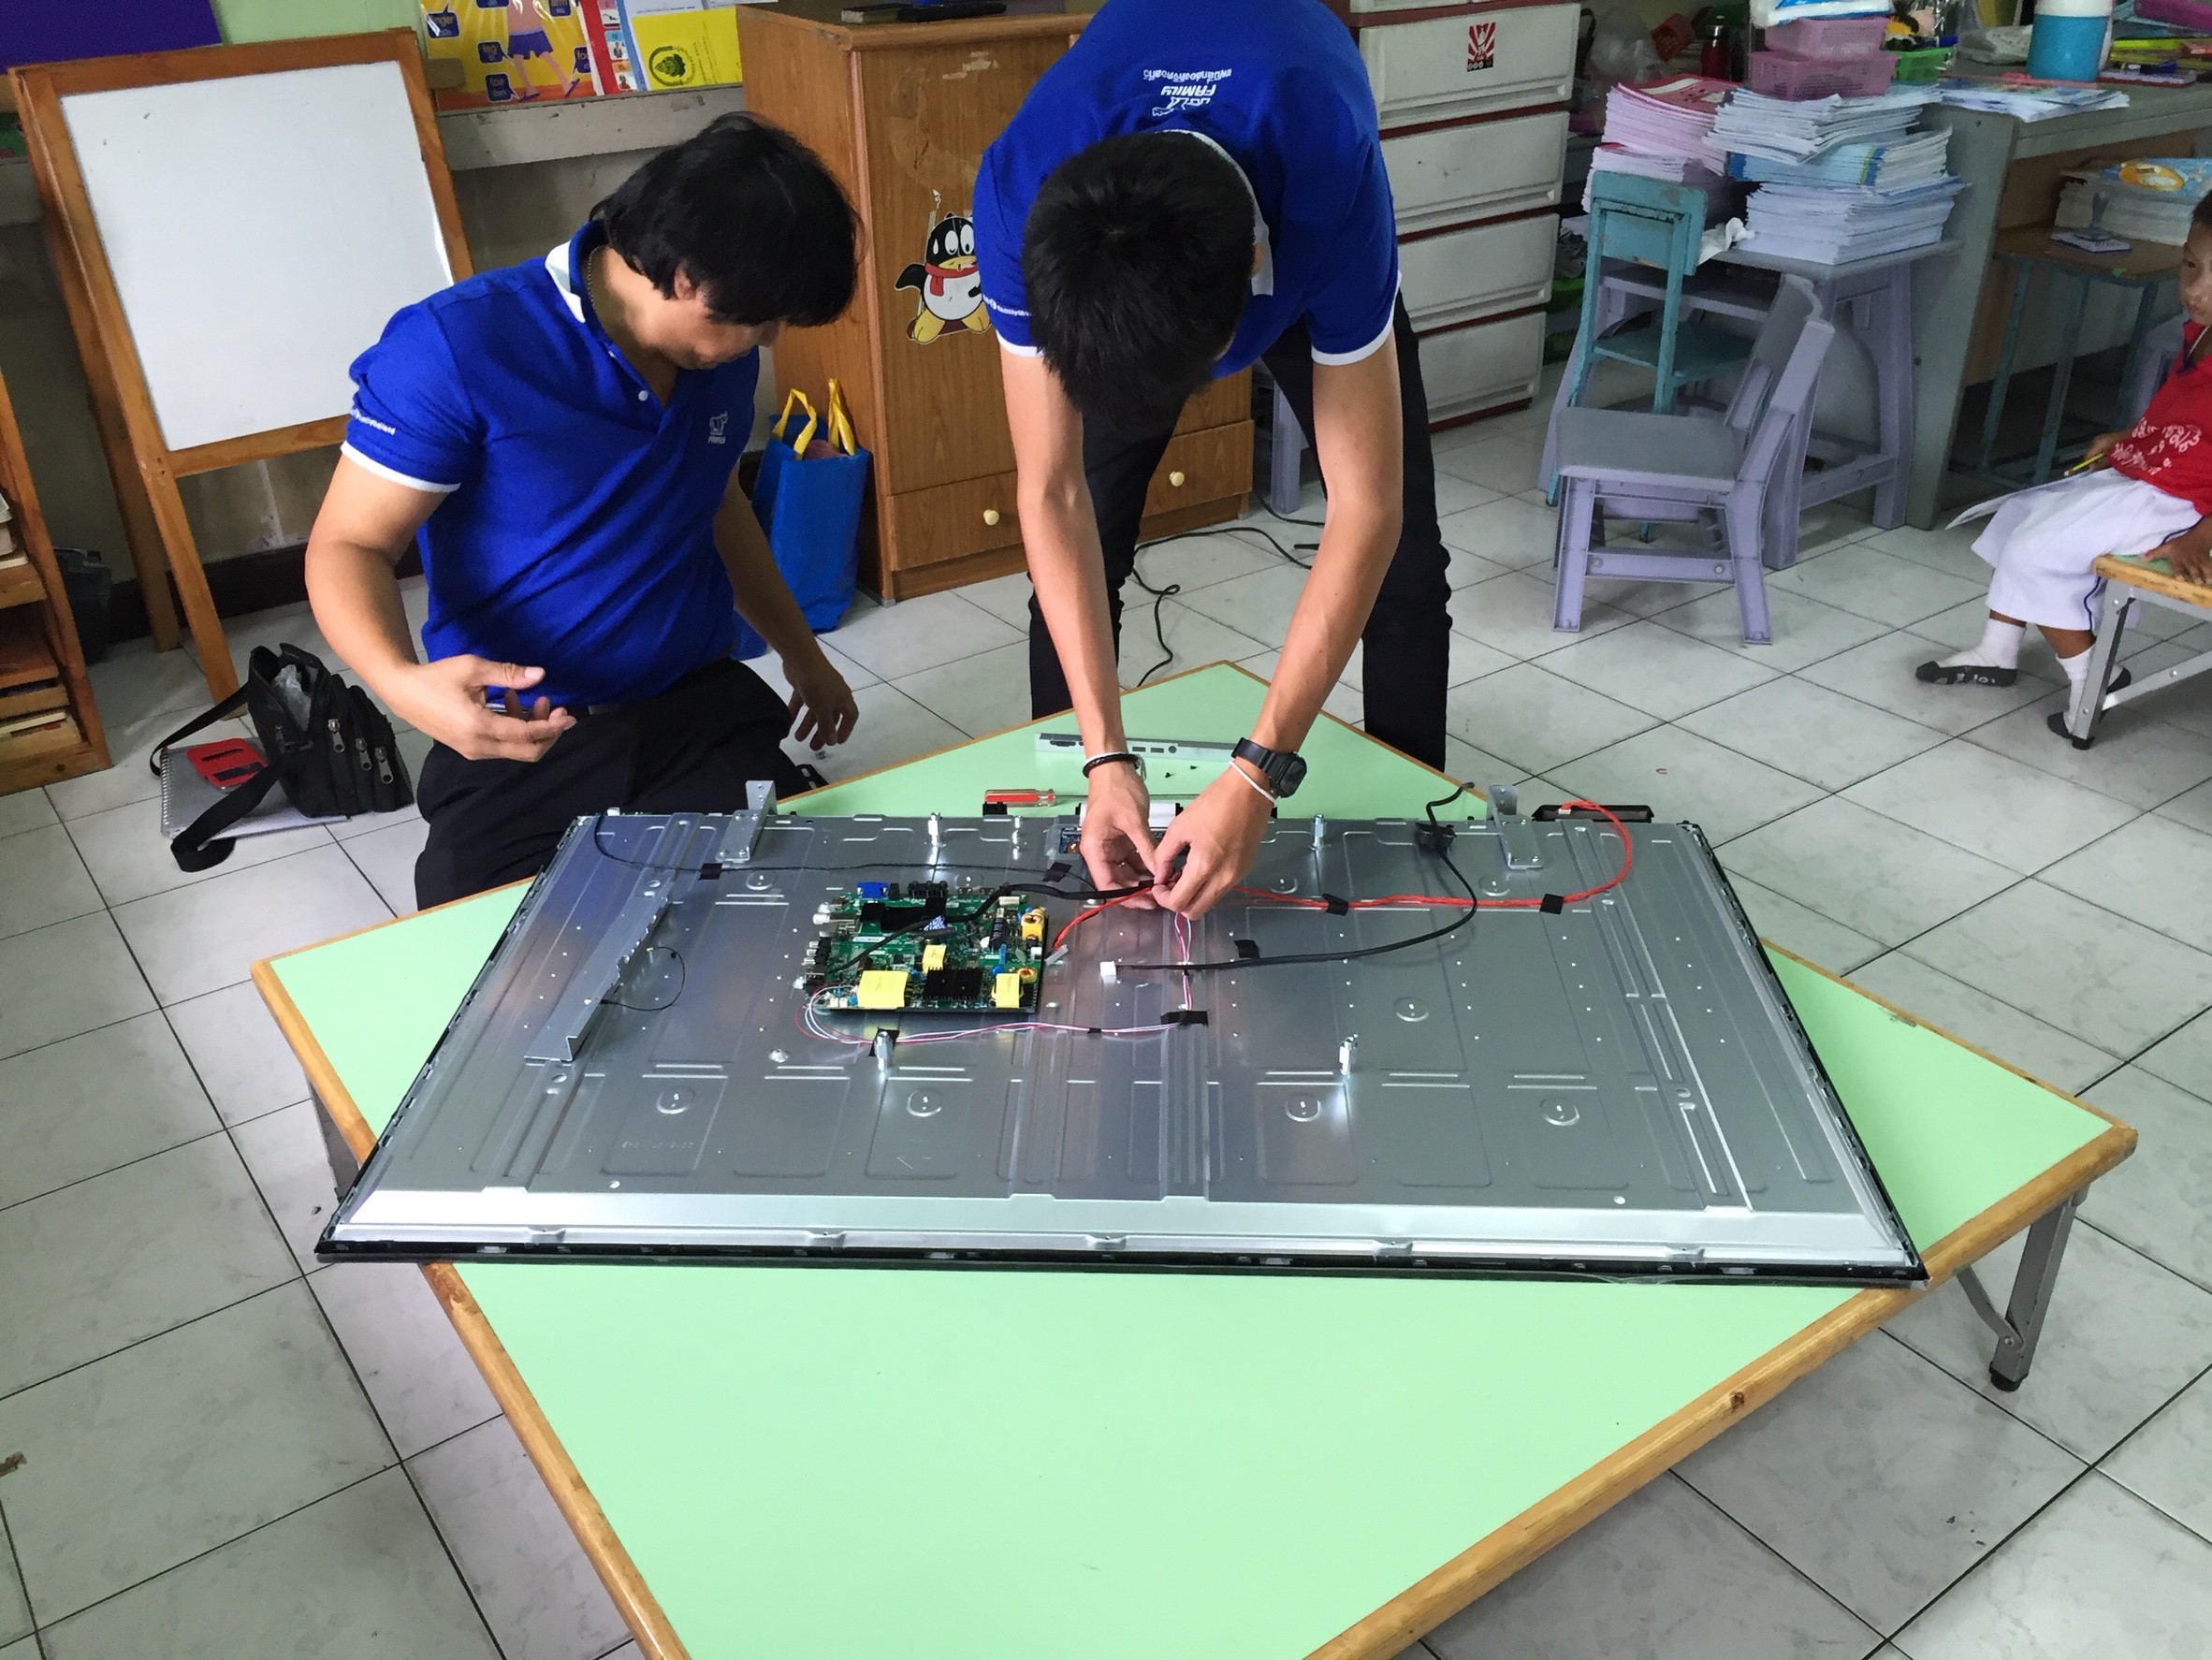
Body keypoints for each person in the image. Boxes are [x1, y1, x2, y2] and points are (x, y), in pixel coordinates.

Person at [306, 113, 862, 910]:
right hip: (528, 723)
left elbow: (716, 502)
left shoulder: (715, 353)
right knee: (487, 947)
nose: (769, 339)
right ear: (685, 276)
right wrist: (401, 684)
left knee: (786, 919)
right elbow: (349, 544)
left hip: (693, 707)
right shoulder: (457, 347)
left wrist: (802, 653)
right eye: (761, 318)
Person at [973, 0, 1451, 917]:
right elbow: (1051, 490)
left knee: (1407, 570)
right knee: (1083, 543)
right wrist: (1107, 757)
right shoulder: (1019, 191)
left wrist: (1257, 773)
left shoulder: (1331, 179)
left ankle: (1418, 832)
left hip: (1292, 227)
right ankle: (1087, 805)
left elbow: (1367, 506)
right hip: (1138, 283)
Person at [1918, 194, 2212, 732]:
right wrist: (2128, 436)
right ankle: (1997, 650)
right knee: (2018, 519)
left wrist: (2202, 537)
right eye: (2191, 265)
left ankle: (2095, 677)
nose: (2196, 290)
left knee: (2038, 552)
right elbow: (2184, 414)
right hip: (2144, 474)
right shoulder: (2202, 330)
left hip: (2180, 502)